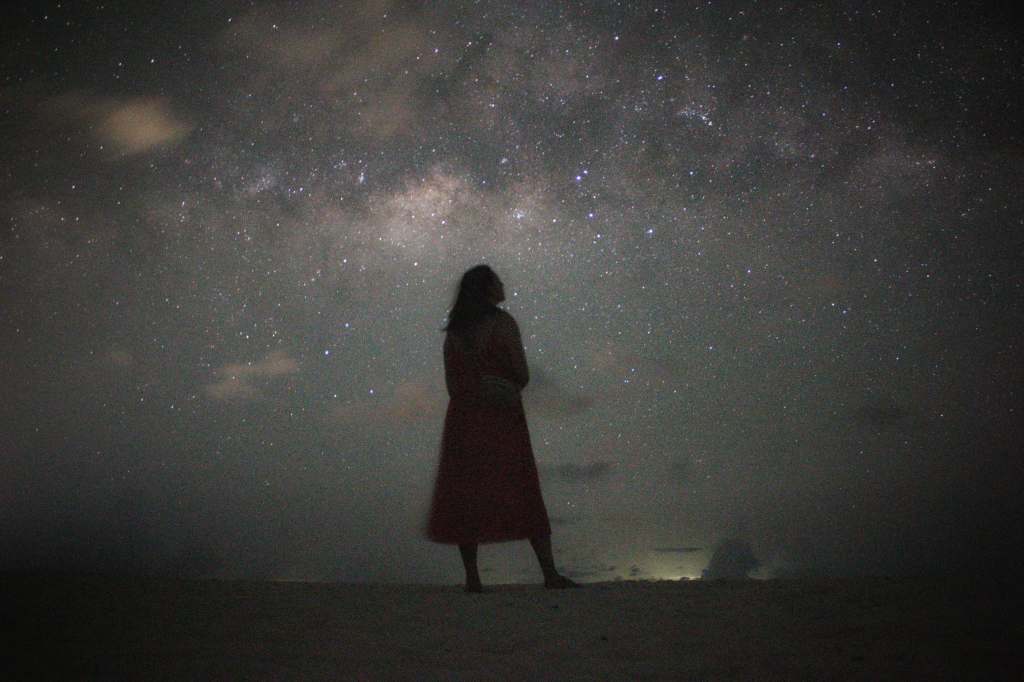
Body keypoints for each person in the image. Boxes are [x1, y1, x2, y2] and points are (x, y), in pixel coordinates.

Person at [426, 265, 579, 592]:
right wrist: (499, 384)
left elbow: (452, 384)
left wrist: (473, 390)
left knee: (466, 493)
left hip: (464, 418)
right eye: (497, 280)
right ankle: (549, 574)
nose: (503, 283)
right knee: (522, 487)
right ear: (487, 288)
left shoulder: (454, 332)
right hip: (500, 417)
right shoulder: (502, 323)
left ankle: (472, 578)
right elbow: (521, 373)